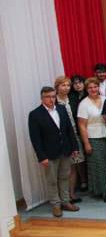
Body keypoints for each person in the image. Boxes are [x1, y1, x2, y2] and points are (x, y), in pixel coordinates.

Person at [28, 86, 80, 217]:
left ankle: (66, 201)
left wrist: (74, 147)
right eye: (48, 97)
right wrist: (41, 156)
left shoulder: (61, 109)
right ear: (42, 98)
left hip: (65, 150)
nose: (51, 99)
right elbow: (35, 138)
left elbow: (69, 130)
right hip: (49, 153)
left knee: (65, 177)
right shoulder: (35, 114)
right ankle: (56, 205)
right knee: (52, 180)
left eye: (53, 96)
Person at [78, 78, 106, 203]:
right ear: (86, 89)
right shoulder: (84, 104)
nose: (93, 89)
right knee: (100, 165)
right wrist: (86, 143)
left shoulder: (105, 99)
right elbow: (82, 125)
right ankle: (104, 192)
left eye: (95, 87)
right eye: (90, 88)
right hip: (93, 137)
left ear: (99, 87)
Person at [55, 76, 84, 203]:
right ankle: (63, 196)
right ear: (57, 87)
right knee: (63, 168)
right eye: (63, 85)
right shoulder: (54, 101)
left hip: (75, 135)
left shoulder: (73, 99)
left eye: (68, 85)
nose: (66, 88)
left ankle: (71, 193)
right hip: (61, 138)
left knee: (74, 166)